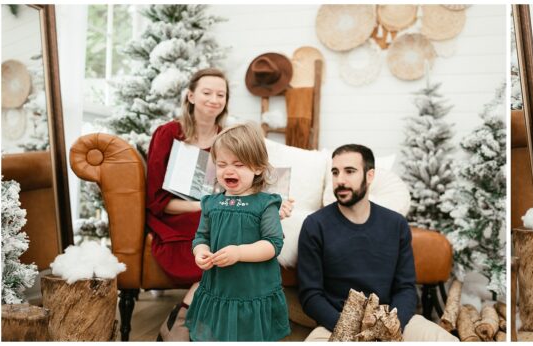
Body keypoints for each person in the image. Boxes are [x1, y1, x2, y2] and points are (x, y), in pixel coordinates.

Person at [146, 68, 292, 341]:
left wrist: (276, 205)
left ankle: (185, 314)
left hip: (225, 207)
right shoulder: (168, 133)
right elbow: (155, 200)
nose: (214, 99)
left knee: (233, 229)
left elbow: (258, 187)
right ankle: (187, 319)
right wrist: (207, 207)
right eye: (207, 92)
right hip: (179, 214)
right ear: (190, 96)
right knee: (215, 233)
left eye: (220, 94)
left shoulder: (229, 136)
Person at [298, 144, 457, 342]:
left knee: (447, 342)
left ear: (370, 175)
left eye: (350, 171)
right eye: (335, 172)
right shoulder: (315, 225)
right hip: (337, 324)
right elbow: (310, 295)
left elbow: (406, 289)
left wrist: (389, 326)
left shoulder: (396, 224)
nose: (340, 180)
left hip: (392, 321)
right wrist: (349, 329)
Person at [183, 123, 289, 341]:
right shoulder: (211, 203)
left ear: (258, 168)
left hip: (253, 287)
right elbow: (202, 237)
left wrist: (239, 253)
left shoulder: (265, 204)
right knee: (218, 333)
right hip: (220, 287)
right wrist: (200, 252)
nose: (228, 171)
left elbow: (273, 244)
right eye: (221, 164)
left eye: (238, 164)